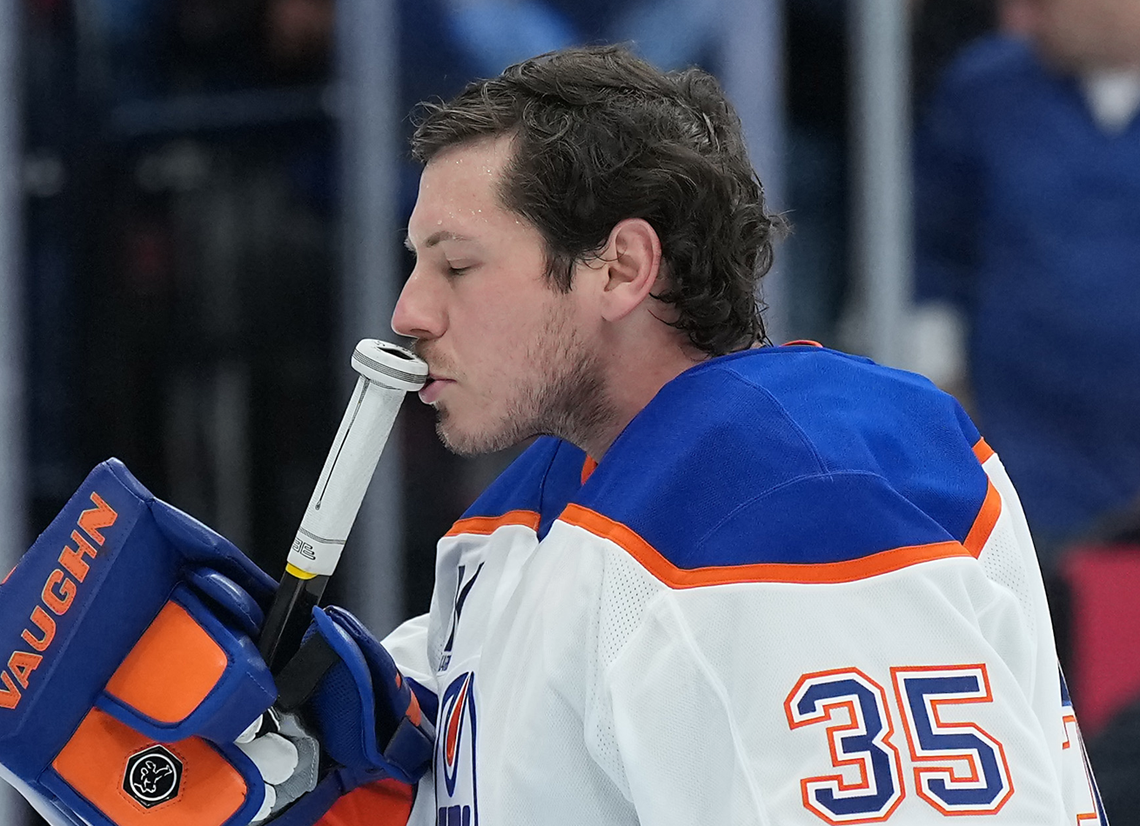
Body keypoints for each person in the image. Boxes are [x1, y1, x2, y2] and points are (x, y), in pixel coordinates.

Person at [0, 45, 1106, 826]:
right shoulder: (534, 515)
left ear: (621, 267)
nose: (408, 311)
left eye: (457, 263)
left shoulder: (788, 492)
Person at [911, 0, 1140, 569]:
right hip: (1026, 447)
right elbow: (929, 248)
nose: (1024, 16)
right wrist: (938, 390)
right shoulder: (984, 90)